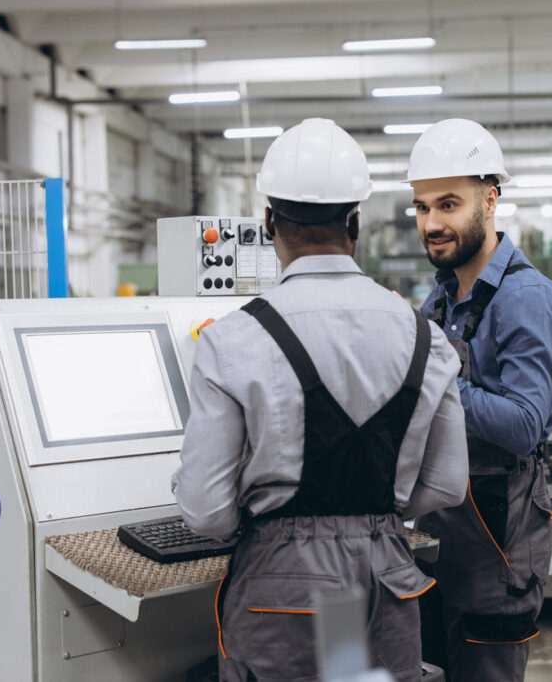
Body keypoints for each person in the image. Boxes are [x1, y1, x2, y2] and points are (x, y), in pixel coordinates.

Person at [172, 118, 469, 682]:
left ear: (269, 222)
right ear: (355, 222)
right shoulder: (427, 339)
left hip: (282, 588)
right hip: (383, 579)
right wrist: (375, 515)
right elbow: (449, 485)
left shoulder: (233, 339)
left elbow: (206, 511)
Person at [407, 118, 552, 682]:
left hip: (497, 537)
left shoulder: (526, 300)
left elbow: (524, 425)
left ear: (490, 199)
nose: (432, 223)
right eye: (422, 207)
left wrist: (434, 381)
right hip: (440, 532)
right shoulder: (441, 298)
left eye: (448, 205)